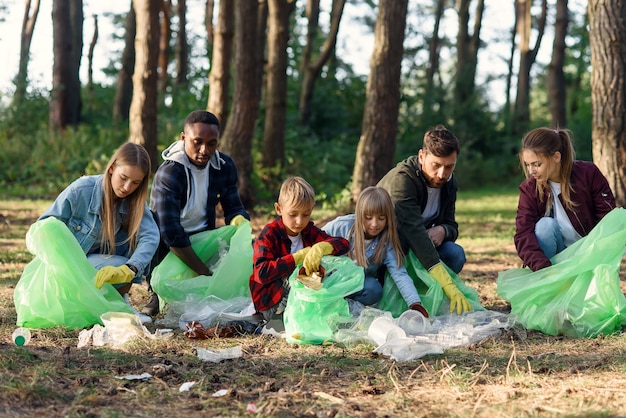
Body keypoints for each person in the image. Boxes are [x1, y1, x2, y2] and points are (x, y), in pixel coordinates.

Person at [39, 142, 159, 323]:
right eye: (123, 177)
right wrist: (59, 263)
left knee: (123, 263)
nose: (127, 187)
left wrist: (131, 268)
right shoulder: (81, 190)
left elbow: (150, 236)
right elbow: (45, 226)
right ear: (111, 168)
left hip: (104, 264)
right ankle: (103, 305)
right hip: (69, 267)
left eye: (135, 182)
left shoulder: (135, 202)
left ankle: (118, 304)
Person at [145, 110, 250, 315]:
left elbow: (233, 206)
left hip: (204, 237)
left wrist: (239, 221)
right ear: (184, 138)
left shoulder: (224, 166)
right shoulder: (170, 172)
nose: (204, 150)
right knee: (167, 288)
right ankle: (155, 293)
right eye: (197, 142)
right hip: (168, 246)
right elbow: (169, 231)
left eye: (212, 143)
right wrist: (203, 272)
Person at [377, 125, 471, 315]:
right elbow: (415, 234)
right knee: (374, 288)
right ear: (422, 157)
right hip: (388, 249)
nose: (442, 174)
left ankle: (427, 294)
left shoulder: (449, 183)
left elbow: (452, 225)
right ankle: (395, 294)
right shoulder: (403, 180)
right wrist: (448, 284)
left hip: (419, 247)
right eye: (436, 165)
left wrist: (444, 230)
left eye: (449, 166)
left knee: (455, 254)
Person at [249, 176, 350, 331]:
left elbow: (343, 244)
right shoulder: (269, 234)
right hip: (272, 301)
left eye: (306, 214)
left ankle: (316, 314)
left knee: (330, 270)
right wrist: (297, 258)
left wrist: (322, 247)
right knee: (295, 275)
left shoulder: (308, 231)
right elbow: (261, 273)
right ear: (279, 209)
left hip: (301, 296)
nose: (299, 221)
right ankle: (277, 320)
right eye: (293, 214)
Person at [514, 127, 616, 271]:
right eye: (528, 165)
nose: (531, 171)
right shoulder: (529, 188)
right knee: (544, 226)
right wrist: (542, 269)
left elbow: (607, 218)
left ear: (556, 157)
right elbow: (523, 233)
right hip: (555, 258)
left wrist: (599, 256)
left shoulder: (588, 174)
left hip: (587, 251)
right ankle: (549, 280)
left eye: (537, 164)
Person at [322, 186, 429, 317]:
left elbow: (399, 273)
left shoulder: (386, 241)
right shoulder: (342, 226)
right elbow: (316, 240)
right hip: (332, 281)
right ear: (360, 214)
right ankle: (330, 304)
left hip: (357, 286)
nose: (374, 224)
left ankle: (347, 308)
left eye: (381, 218)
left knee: (374, 289)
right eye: (368, 217)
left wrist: (414, 303)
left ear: (388, 218)